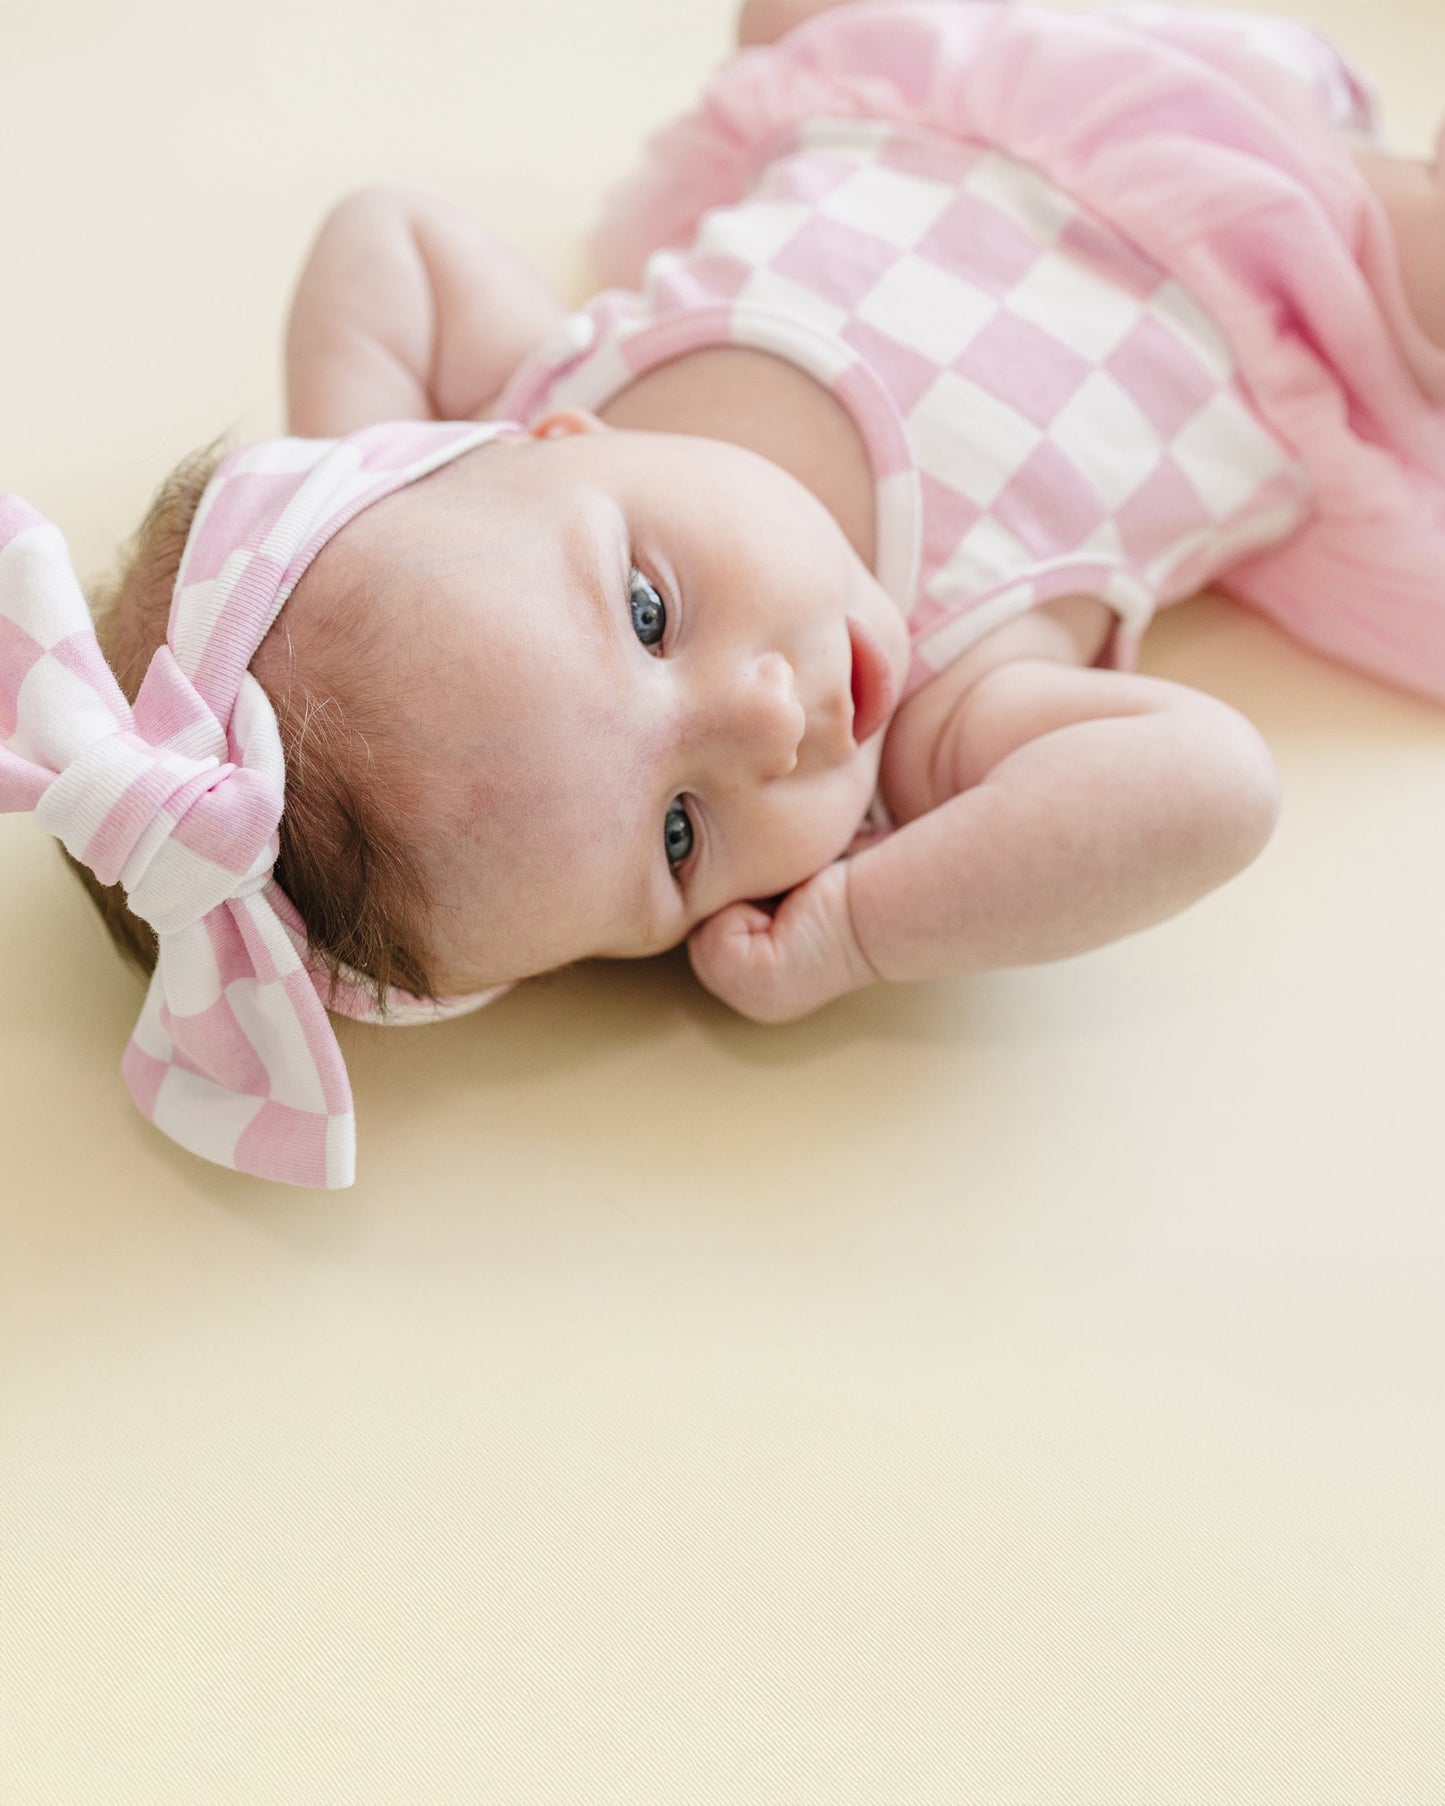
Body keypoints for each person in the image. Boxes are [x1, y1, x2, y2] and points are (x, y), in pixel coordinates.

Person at [4, 0, 1444, 1187]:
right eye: (681, 833)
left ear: (540, 446)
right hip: (1299, 256)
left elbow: (384, 233)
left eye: (648, 616)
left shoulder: (563, 391)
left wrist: (355, 453)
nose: (770, 722)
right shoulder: (941, 704)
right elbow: (1215, 783)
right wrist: (862, 926)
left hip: (956, 74)